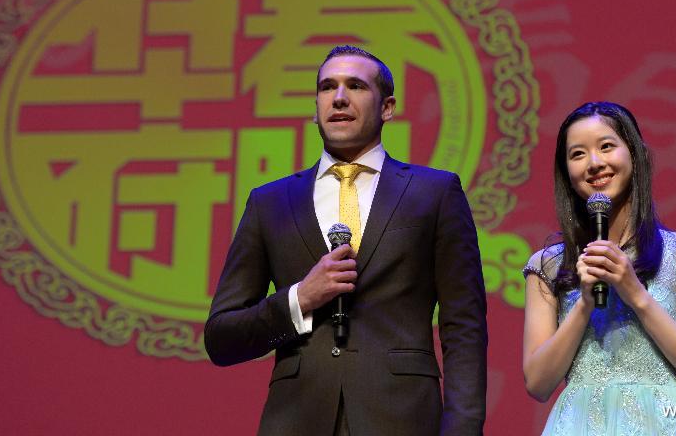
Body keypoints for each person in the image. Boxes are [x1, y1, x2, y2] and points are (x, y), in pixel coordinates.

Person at [205, 45, 488, 436]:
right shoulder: (270, 202)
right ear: (315, 106)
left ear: (387, 107)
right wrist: (300, 298)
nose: (339, 98)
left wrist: (462, 429)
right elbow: (222, 338)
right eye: (327, 87)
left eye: (355, 86)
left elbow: (464, 325)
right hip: (296, 420)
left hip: (403, 417)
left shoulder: (434, 193)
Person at [522, 101, 676, 435]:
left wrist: (635, 294)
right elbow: (538, 383)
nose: (595, 163)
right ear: (567, 175)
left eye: (606, 147)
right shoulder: (548, 265)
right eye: (578, 154)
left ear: (635, 154)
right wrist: (585, 302)